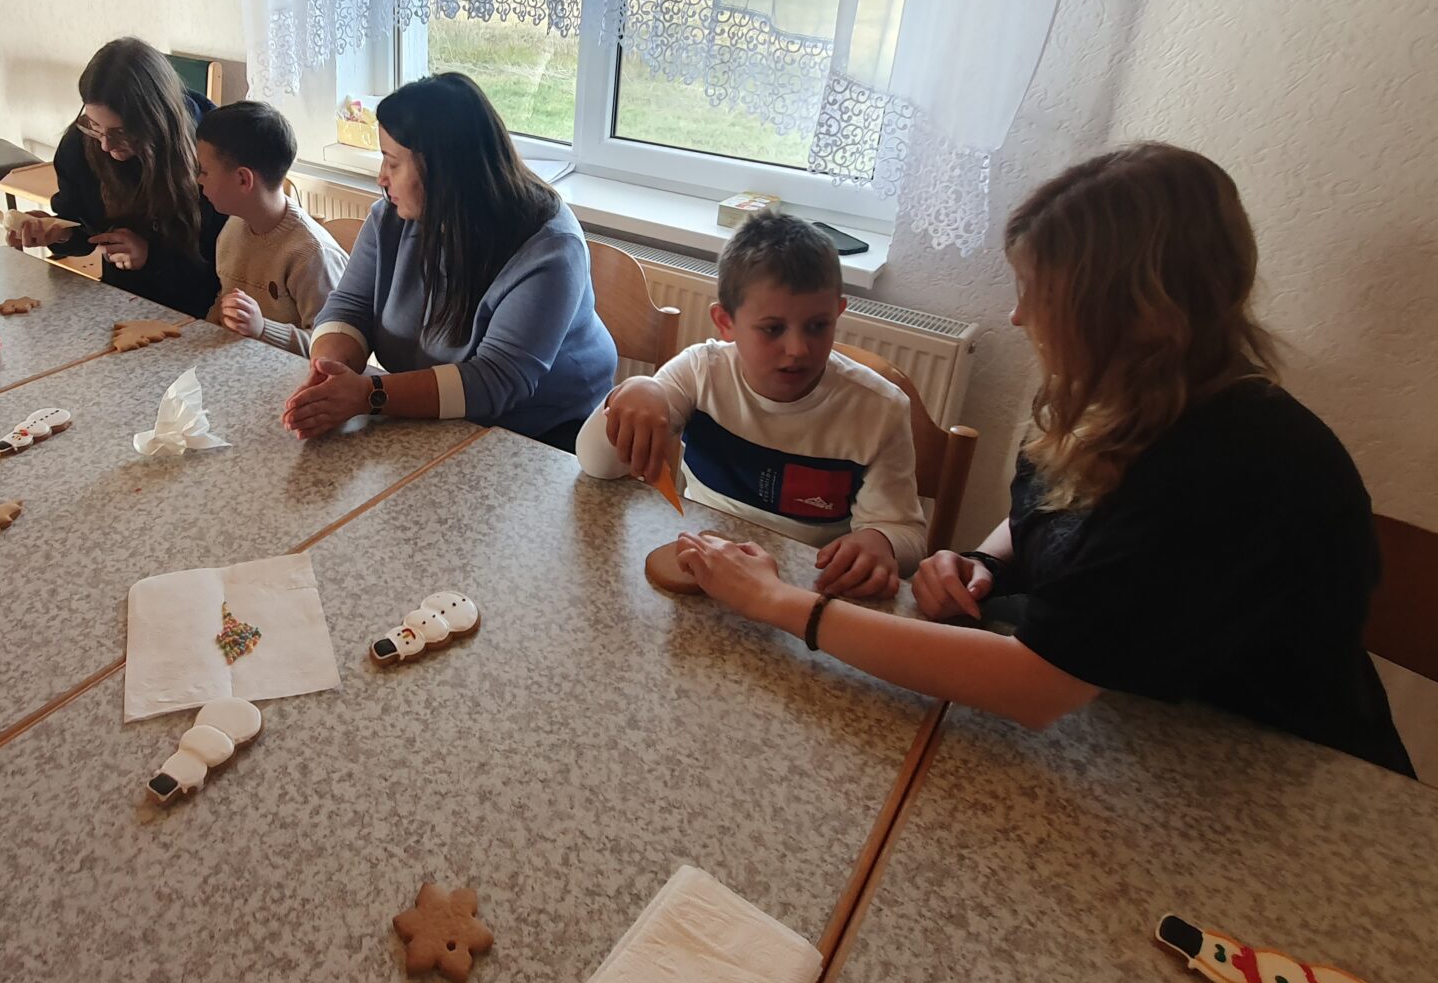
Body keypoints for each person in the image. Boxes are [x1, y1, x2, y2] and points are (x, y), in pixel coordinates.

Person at [673, 144, 1412, 775]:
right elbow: (1060, 520)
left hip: (1265, 768)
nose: (1019, 315)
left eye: (1037, 293)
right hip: (1135, 734)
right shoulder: (1112, 394)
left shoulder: (1233, 463)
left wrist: (779, 603)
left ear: (1129, 310)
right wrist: (986, 562)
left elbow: (1034, 687)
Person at [575, 214, 924, 598]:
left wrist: (881, 542)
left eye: (818, 326)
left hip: (802, 593)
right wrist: (632, 391)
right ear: (725, 322)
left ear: (838, 313)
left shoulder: (880, 410)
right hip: (703, 572)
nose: (798, 349)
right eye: (773, 329)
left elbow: (905, 532)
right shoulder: (699, 372)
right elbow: (597, 466)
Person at [283, 72, 616, 451]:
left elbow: (496, 380)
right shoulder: (393, 217)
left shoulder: (551, 250)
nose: (381, 178)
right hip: (441, 420)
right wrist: (329, 373)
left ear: (441, 169)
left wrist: (368, 394)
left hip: (547, 435)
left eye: (392, 162)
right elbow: (350, 306)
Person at [7, 38, 223, 318]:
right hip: (120, 299)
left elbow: (222, 269)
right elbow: (85, 229)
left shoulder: (211, 151)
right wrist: (59, 232)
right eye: (95, 126)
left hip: (201, 310)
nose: (106, 145)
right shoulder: (79, 145)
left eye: (121, 132)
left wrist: (148, 257)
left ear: (157, 119)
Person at [196, 100, 347, 356]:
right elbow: (224, 303)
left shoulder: (310, 254)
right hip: (240, 362)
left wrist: (263, 329)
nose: (198, 180)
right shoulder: (233, 227)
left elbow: (335, 348)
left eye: (204, 172)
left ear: (243, 179)